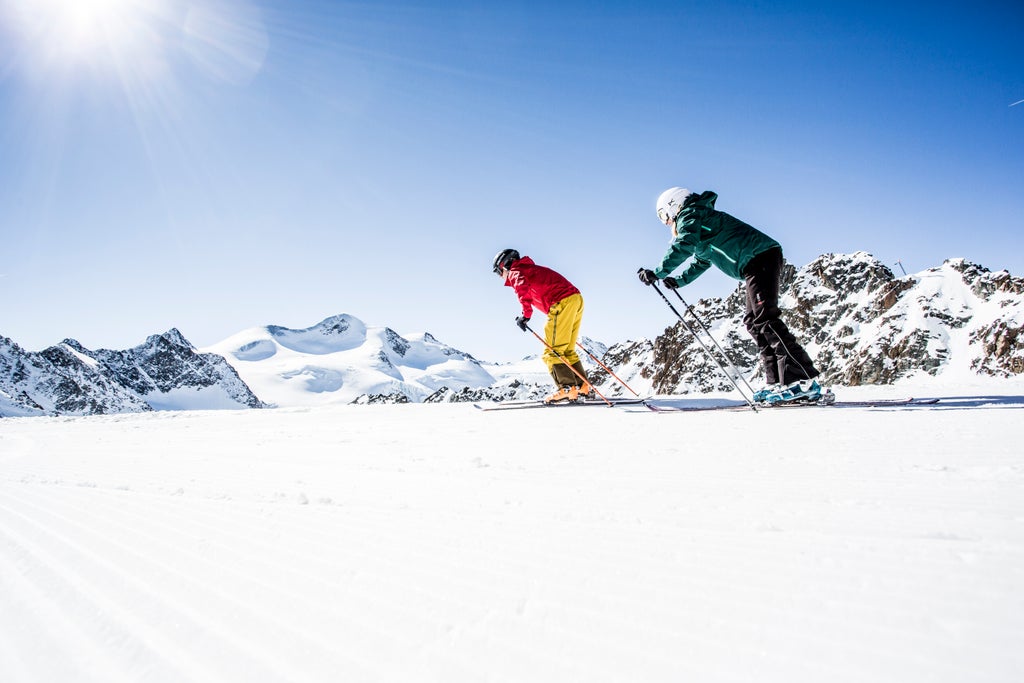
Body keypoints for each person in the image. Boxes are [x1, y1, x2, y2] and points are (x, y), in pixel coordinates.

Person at [637, 188, 821, 403]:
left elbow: (684, 244)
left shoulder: (692, 214)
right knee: (754, 323)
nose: (666, 222)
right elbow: (702, 261)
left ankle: (802, 380)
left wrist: (658, 272)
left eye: (663, 216)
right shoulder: (700, 222)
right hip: (754, 264)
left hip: (760, 257)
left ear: (673, 206)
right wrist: (679, 281)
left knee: (766, 319)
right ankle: (778, 383)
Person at [492, 248, 593, 403]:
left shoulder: (515, 271)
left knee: (551, 351)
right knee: (566, 350)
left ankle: (566, 389)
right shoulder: (528, 269)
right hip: (575, 299)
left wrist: (525, 316)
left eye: (499, 272)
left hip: (562, 302)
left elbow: (522, 290)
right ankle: (583, 387)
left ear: (505, 265)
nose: (500, 276)